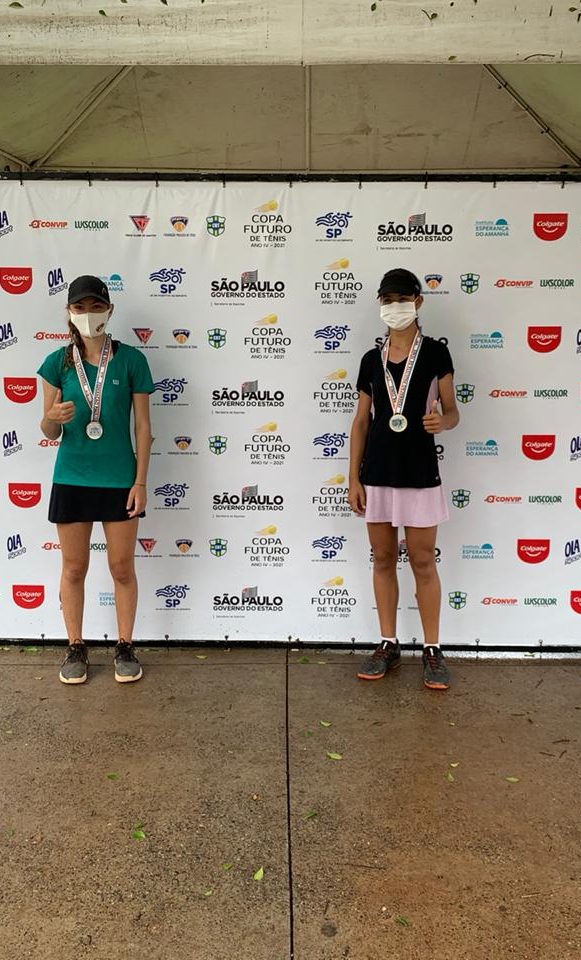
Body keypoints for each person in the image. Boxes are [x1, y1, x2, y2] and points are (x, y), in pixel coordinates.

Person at [37, 275, 154, 685]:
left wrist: (140, 482)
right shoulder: (57, 362)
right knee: (74, 568)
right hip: (72, 477)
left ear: (109, 310)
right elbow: (49, 430)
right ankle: (75, 646)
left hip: (120, 479)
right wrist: (51, 418)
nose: (88, 315)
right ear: (69, 312)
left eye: (95, 307)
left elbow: (143, 427)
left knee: (121, 567)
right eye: (80, 307)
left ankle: (125, 645)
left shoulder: (132, 360)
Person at [348, 268, 459, 690]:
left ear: (418, 302)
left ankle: (432, 649)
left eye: (401, 299)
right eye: (387, 300)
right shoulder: (369, 360)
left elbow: (452, 411)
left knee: (423, 561)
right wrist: (353, 478)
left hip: (419, 472)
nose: (394, 306)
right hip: (377, 473)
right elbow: (361, 421)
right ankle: (388, 643)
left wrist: (443, 422)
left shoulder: (435, 354)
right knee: (382, 558)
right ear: (380, 305)